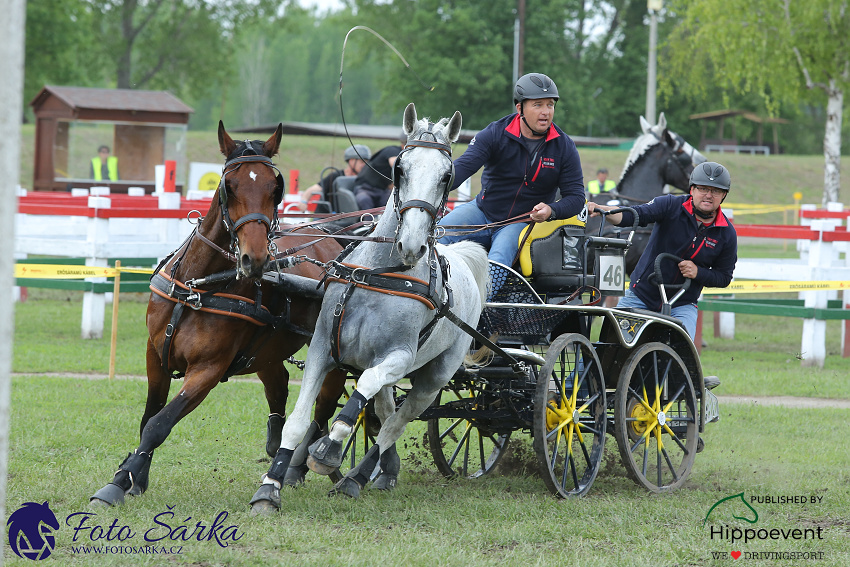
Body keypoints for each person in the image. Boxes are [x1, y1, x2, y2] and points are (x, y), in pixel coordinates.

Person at [436, 72, 587, 266]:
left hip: (521, 223)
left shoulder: (565, 147)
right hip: (481, 211)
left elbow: (576, 198)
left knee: (497, 263)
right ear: (520, 108)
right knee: (436, 238)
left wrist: (551, 210)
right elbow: (462, 169)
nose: (546, 112)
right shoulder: (495, 133)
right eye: (538, 105)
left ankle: (484, 297)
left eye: (550, 105)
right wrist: (430, 182)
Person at [586, 161, 738, 341]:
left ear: (724, 195)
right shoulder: (670, 205)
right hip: (641, 295)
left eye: (715, 191)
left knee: (682, 350)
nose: (708, 195)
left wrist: (699, 272)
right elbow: (635, 214)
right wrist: (603, 210)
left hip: (682, 304)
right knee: (609, 345)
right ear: (692, 189)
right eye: (703, 188)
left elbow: (724, 277)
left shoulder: (726, 233)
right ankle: (580, 370)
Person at [297, 144, 371, 211]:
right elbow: (314, 189)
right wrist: (304, 200)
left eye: (367, 162)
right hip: (326, 217)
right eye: (362, 162)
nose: (365, 165)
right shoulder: (336, 176)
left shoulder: (364, 179)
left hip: (350, 219)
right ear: (351, 161)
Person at [352, 137, 405, 210]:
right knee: (364, 199)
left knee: (392, 203)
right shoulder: (393, 150)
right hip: (364, 188)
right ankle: (368, 221)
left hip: (382, 190)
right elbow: (396, 165)